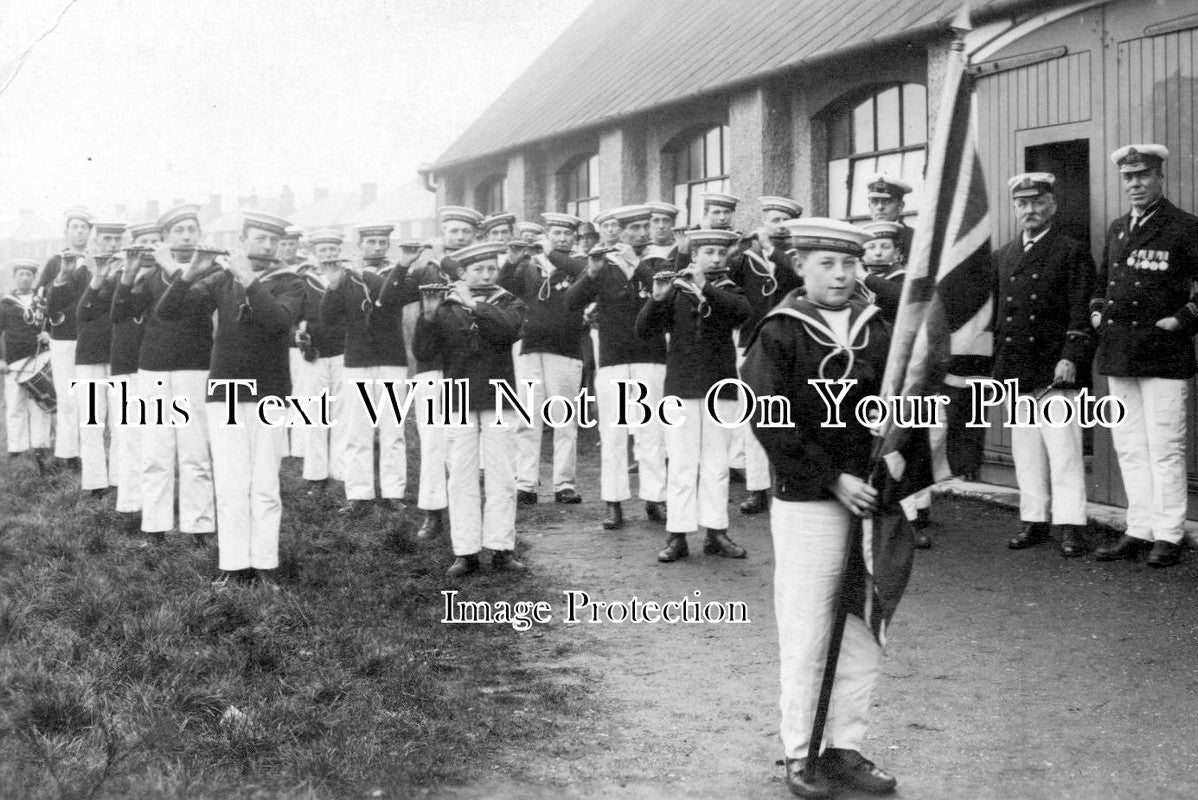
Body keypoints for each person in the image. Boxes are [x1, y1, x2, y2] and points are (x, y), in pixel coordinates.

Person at [741, 218, 897, 798]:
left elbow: (903, 399)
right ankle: (800, 752)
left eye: (849, 264)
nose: (840, 274)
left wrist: (893, 442)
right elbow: (767, 416)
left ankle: (847, 747)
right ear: (800, 266)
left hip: (872, 500)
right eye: (826, 264)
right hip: (810, 499)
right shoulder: (781, 330)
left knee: (861, 627)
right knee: (808, 626)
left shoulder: (880, 327)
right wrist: (833, 478)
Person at [156, 211, 305, 588]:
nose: (267, 246)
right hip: (225, 390)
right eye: (259, 238)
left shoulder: (291, 281)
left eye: (273, 240)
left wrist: (248, 277)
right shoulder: (221, 278)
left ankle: (266, 565)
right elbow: (168, 311)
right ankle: (234, 565)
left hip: (270, 392)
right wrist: (191, 271)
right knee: (231, 481)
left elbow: (278, 322)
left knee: (266, 482)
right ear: (243, 239)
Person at [1091, 144, 1198, 568]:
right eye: (1128, 177)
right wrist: (1097, 312)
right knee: (1131, 445)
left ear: (1159, 178)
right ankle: (1139, 528)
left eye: (1143, 176)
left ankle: (1169, 534)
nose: (1135, 184)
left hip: (1163, 352)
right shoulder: (1118, 229)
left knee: (1165, 447)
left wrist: (1183, 319)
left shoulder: (1185, 227)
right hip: (1119, 351)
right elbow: (1104, 281)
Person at [992, 173, 1095, 558]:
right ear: (1016, 208)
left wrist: (1071, 355)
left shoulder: (1071, 250)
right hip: (1016, 366)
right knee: (1026, 449)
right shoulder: (1003, 256)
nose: (1030, 210)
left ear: (1052, 206)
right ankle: (1033, 519)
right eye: (1023, 204)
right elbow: (999, 316)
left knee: (1064, 450)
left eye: (1037, 203)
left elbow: (1080, 308)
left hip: (1055, 366)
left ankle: (1071, 525)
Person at [414, 240, 526, 577]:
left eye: (491, 268)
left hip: (498, 397)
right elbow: (423, 353)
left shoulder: (508, 302)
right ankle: (465, 552)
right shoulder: (445, 307)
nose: (487, 274)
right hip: (458, 399)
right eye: (478, 269)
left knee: (502, 476)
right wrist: (429, 315)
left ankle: (502, 548)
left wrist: (472, 305)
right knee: (460, 476)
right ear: (462, 273)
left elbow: (507, 331)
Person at [636, 229, 750, 562]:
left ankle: (716, 532)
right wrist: (656, 298)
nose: (716, 258)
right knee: (682, 463)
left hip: (721, 388)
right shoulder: (675, 291)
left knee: (716, 465)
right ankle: (678, 535)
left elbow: (742, 313)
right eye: (709, 252)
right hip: (682, 388)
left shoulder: (728, 290)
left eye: (720, 252)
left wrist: (705, 286)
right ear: (694, 255)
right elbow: (644, 332)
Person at [111, 203, 216, 544]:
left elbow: (195, 302)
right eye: (178, 231)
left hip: (194, 367)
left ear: (199, 235)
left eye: (191, 230)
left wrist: (171, 266)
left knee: (194, 452)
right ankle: (155, 528)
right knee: (155, 451)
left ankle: (198, 526)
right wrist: (127, 274)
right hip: (153, 367)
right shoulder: (153, 274)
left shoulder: (211, 271)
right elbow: (120, 313)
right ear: (168, 238)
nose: (186, 236)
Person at [565, 204, 669, 530]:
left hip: (650, 357)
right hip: (612, 359)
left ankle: (655, 498)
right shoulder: (602, 266)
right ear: (618, 232)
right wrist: (591, 272)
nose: (640, 234)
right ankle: (613, 502)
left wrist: (636, 265)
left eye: (643, 227)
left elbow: (664, 294)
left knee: (651, 433)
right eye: (632, 229)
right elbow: (571, 303)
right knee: (613, 434)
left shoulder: (657, 262)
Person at [321, 222, 411, 517]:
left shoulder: (399, 273)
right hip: (357, 360)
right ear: (361, 246)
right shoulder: (345, 277)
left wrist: (365, 275)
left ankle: (393, 493)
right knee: (357, 430)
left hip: (391, 359)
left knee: (392, 430)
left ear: (389, 245)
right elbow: (328, 318)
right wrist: (332, 287)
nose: (376, 247)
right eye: (370, 242)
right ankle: (359, 495)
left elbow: (388, 300)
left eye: (381, 242)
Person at [402, 206, 482, 538]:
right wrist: (408, 262)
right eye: (453, 232)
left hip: (467, 367)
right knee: (433, 441)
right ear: (442, 233)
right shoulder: (425, 270)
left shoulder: (481, 268)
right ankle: (433, 511)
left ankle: (469, 511)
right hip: (432, 363)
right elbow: (392, 296)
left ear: (474, 236)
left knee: (465, 443)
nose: (459, 237)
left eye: (465, 232)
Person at [500, 212, 586, 506]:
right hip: (530, 347)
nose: (562, 239)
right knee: (528, 418)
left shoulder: (580, 264)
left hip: (565, 348)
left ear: (574, 237)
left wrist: (550, 253)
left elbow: (580, 273)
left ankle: (564, 483)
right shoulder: (528, 265)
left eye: (567, 234)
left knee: (564, 419)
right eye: (556, 234)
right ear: (548, 234)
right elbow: (504, 289)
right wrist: (512, 260)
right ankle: (526, 483)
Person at [78, 221, 159, 530]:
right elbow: (85, 313)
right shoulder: (112, 278)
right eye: (144, 242)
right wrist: (99, 277)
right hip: (119, 359)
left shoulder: (161, 277)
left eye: (155, 241)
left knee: (143, 434)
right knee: (123, 433)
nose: (150, 248)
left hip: (146, 361)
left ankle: (144, 500)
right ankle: (124, 500)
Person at [728, 195, 804, 515]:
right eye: (771, 220)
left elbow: (801, 276)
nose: (776, 226)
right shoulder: (746, 257)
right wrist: (738, 248)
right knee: (754, 418)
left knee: (794, 415)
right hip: (752, 343)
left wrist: (773, 249)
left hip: (793, 344)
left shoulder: (797, 255)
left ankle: (791, 481)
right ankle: (758, 488)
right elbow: (728, 281)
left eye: (781, 222)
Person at [49, 220, 126, 498]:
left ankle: (119, 479)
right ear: (97, 241)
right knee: (92, 420)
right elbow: (55, 306)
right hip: (90, 354)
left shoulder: (132, 271)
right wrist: (62, 277)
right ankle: (95, 482)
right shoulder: (83, 271)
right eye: (107, 239)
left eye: (117, 240)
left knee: (120, 421)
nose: (113, 246)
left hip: (121, 355)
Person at [35, 207, 93, 469]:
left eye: (84, 227)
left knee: (87, 397)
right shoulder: (55, 262)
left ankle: (86, 452)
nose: (79, 231)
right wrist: (48, 323)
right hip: (62, 337)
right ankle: (66, 454)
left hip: (90, 337)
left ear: (90, 232)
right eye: (75, 227)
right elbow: (41, 299)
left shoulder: (95, 261)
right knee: (67, 397)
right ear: (67, 231)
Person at [296, 229, 349, 499]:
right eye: (323, 251)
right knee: (314, 411)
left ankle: (339, 470)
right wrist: (300, 331)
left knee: (342, 410)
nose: (328, 255)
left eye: (332, 250)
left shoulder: (349, 277)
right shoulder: (304, 280)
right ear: (314, 254)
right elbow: (297, 312)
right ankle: (316, 475)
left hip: (343, 349)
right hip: (314, 351)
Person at [1, 259, 52, 471]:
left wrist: (49, 334)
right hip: (13, 364)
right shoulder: (5, 304)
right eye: (21, 274)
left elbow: (53, 324)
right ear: (15, 277)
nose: (25, 278)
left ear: (33, 277)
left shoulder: (42, 302)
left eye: (28, 274)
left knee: (41, 406)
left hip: (39, 360)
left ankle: (40, 448)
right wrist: (1, 359)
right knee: (14, 406)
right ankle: (16, 449)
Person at [864, 173, 915, 260]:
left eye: (887, 201)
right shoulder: (862, 237)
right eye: (875, 201)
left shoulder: (914, 239)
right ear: (869, 206)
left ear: (900, 206)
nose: (880, 207)